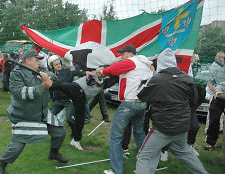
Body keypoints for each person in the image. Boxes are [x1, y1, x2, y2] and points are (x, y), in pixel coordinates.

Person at [135, 48, 208, 174]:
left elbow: (141, 94)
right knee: (184, 152)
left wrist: (149, 78)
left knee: (144, 157)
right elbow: (194, 100)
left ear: (161, 63)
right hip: (182, 126)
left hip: (162, 127)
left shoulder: (157, 79)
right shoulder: (187, 78)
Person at [0, 49, 68, 174]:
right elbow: (22, 93)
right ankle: (2, 164)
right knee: (17, 146)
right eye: (36, 60)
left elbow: (54, 76)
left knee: (60, 131)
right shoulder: (16, 74)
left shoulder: (40, 70)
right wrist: (43, 86)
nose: (39, 62)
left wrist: (47, 77)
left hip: (42, 111)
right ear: (28, 61)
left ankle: (54, 153)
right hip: (24, 115)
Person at [96, 44, 153, 174]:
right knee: (139, 133)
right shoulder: (145, 63)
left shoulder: (131, 61)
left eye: (122, 54)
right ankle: (146, 167)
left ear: (129, 53)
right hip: (142, 103)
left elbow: (113, 69)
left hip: (129, 103)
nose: (121, 56)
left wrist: (102, 71)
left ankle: (116, 171)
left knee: (116, 137)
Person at [48, 54, 89, 138]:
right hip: (58, 101)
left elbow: (76, 72)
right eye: (56, 64)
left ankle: (75, 132)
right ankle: (53, 133)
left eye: (59, 63)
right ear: (52, 66)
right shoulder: (51, 75)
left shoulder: (67, 72)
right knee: (49, 116)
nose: (59, 65)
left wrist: (84, 72)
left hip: (69, 100)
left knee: (69, 120)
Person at [205, 51, 224, 134]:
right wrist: (215, 90)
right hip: (215, 94)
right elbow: (210, 81)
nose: (221, 59)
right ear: (216, 57)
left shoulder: (223, 66)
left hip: (222, 93)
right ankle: (208, 130)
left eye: (223, 57)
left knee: (221, 115)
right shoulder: (213, 67)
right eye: (220, 57)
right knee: (211, 114)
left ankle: (220, 129)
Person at [205, 80, 225, 150]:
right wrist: (214, 89)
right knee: (214, 120)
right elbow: (210, 81)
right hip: (218, 98)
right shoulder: (216, 69)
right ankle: (210, 143)